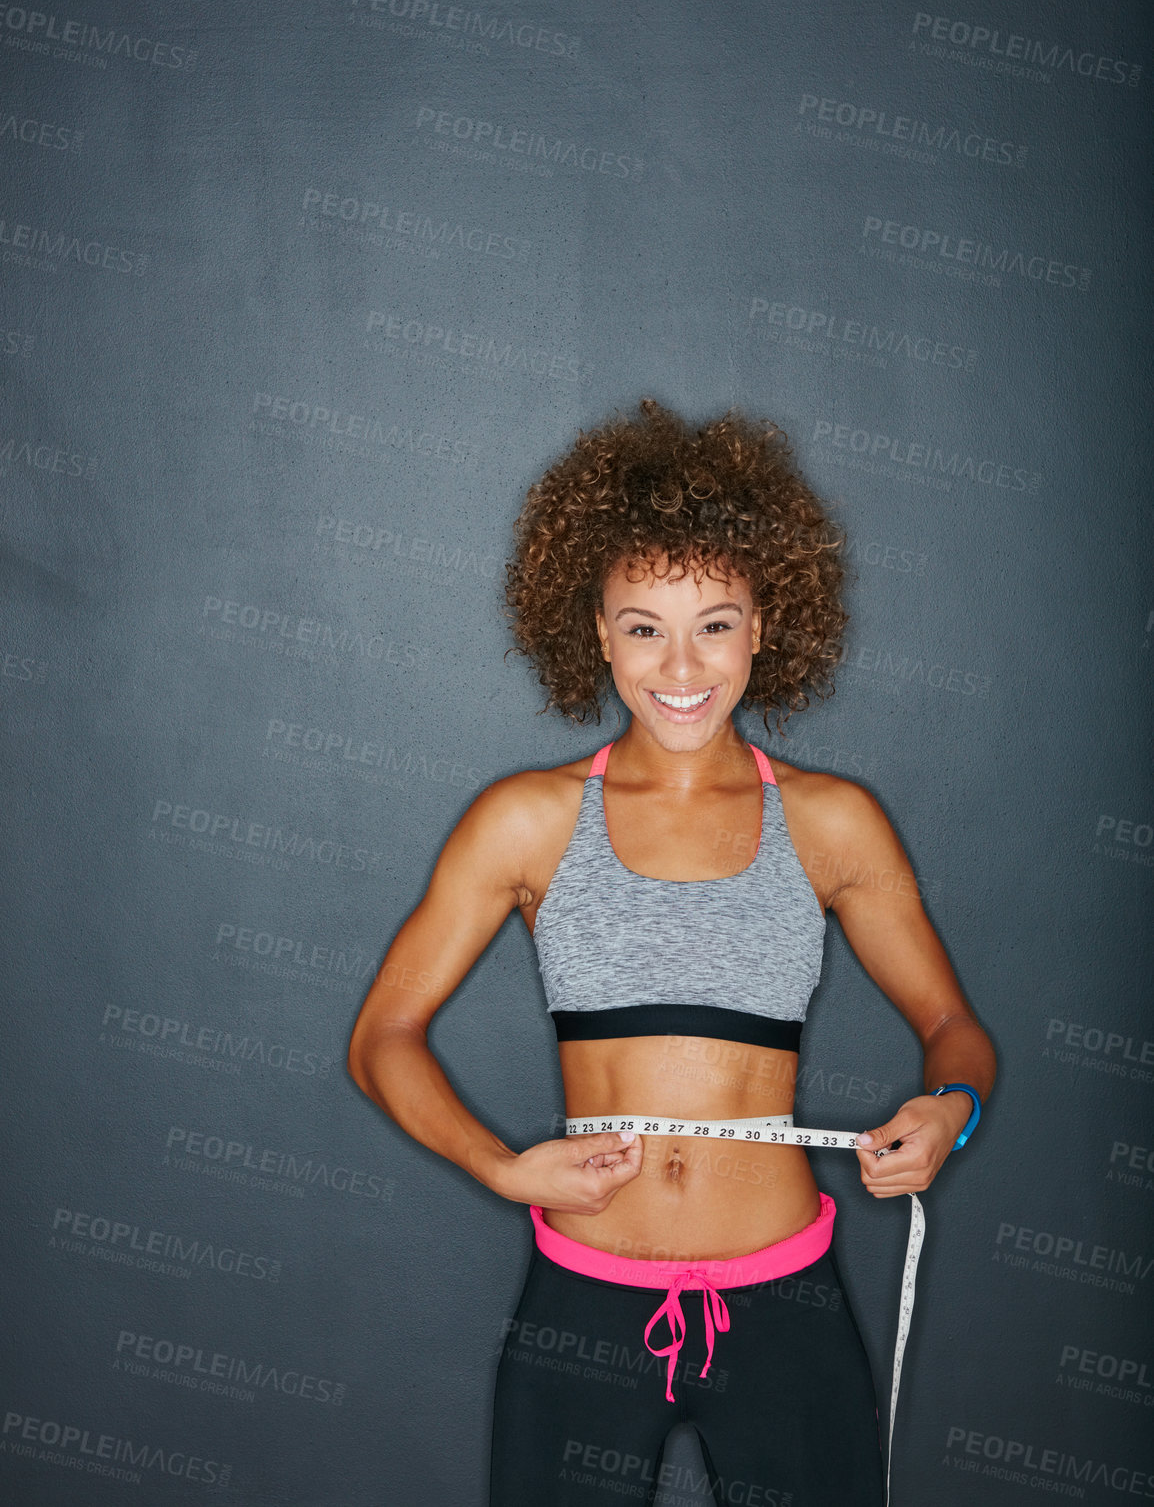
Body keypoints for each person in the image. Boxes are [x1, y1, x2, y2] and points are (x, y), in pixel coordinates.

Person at [348, 398, 996, 1506]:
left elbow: (953, 1031)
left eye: (715, 621)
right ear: (596, 631)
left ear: (763, 624)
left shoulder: (834, 823)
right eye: (642, 624)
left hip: (783, 1302)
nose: (679, 662)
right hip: (584, 1303)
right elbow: (381, 1039)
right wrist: (500, 1167)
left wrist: (949, 1108)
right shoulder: (525, 820)